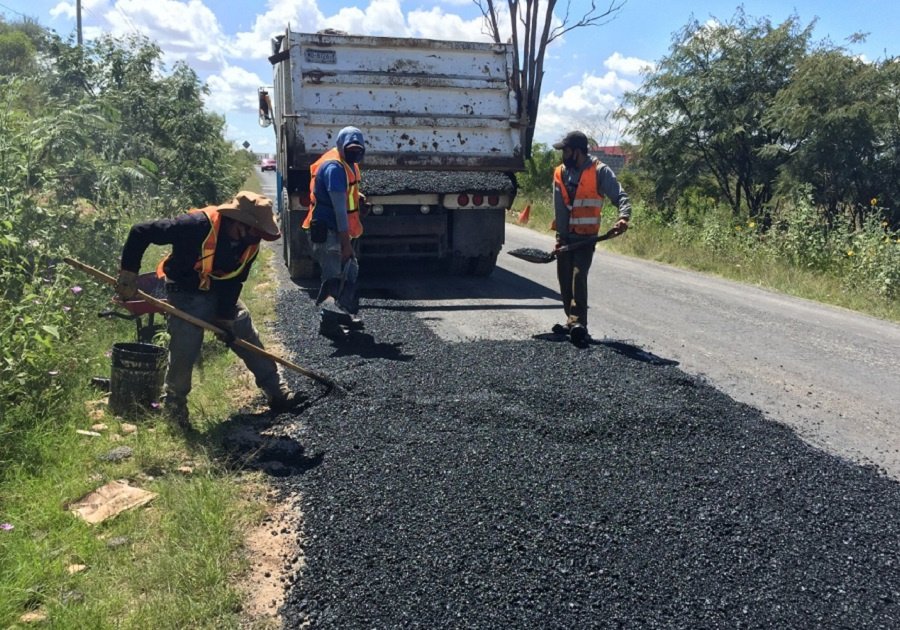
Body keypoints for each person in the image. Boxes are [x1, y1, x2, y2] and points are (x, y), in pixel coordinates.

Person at [115, 191, 303, 426]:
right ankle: (174, 406)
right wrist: (128, 274)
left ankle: (276, 391)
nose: (257, 238)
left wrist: (224, 318)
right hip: (183, 289)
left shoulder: (250, 243)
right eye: (254, 231)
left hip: (220, 289)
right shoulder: (193, 226)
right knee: (187, 338)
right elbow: (140, 231)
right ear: (238, 221)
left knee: (242, 326)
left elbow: (235, 280)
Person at [551, 130, 631, 347]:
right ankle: (571, 322)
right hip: (565, 238)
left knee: (578, 277)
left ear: (576, 152)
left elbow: (620, 195)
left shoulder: (599, 171)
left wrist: (623, 217)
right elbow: (559, 207)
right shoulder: (560, 173)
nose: (563, 155)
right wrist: (559, 238)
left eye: (566, 151)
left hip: (586, 238)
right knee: (564, 281)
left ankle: (579, 325)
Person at [302, 126, 367, 337]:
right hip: (329, 229)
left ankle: (341, 315)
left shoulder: (348, 164)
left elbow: (347, 194)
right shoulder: (334, 168)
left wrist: (359, 198)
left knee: (346, 273)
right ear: (341, 146)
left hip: (338, 228)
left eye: (359, 149)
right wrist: (346, 243)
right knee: (332, 276)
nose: (355, 152)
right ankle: (328, 324)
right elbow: (339, 209)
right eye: (351, 148)